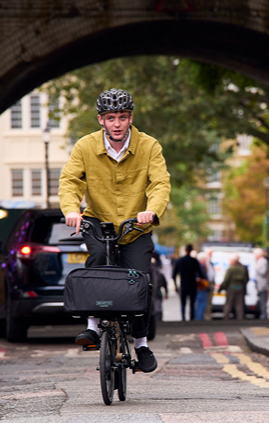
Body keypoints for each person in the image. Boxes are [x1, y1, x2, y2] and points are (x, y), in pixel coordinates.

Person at [60, 89, 171, 373]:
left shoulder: (149, 146)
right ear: (101, 120)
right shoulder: (85, 147)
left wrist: (152, 211)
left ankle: (142, 343)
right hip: (99, 220)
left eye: (122, 117)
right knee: (96, 262)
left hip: (136, 225)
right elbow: (70, 181)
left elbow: (160, 183)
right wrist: (72, 210)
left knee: (139, 282)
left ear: (131, 118)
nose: (117, 123)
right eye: (111, 118)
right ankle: (93, 327)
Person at [172, 243, 204, 321]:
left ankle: (183, 317)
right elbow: (200, 274)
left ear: (185, 250)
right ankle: (191, 317)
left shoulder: (180, 261)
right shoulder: (194, 261)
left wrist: (175, 285)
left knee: (183, 303)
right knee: (192, 303)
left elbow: (174, 275)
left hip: (183, 284)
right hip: (192, 284)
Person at [217, 253, 248, 320]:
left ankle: (226, 317)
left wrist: (221, 288)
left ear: (233, 261)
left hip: (231, 287)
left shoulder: (230, 269)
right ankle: (240, 318)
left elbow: (226, 280)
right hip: (240, 287)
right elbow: (246, 279)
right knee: (239, 304)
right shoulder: (242, 269)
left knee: (228, 303)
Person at [194, 253, 211, 320]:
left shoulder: (202, 266)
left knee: (201, 304)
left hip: (202, 288)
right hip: (201, 288)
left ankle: (200, 317)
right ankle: (199, 318)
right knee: (201, 304)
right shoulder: (200, 267)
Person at [253, 248, 269, 319]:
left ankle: (264, 314)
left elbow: (263, 272)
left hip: (262, 284)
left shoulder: (263, 261)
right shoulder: (259, 261)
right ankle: (261, 314)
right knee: (260, 299)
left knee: (263, 300)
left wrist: (257, 268)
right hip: (259, 283)